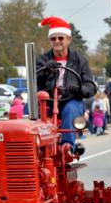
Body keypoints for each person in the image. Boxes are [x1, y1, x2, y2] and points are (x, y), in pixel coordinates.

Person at [35, 16, 96, 150]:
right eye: (53, 38)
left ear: (68, 39)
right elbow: (35, 79)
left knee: (69, 109)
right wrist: (46, 70)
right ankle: (36, 148)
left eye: (60, 38)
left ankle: (67, 147)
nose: (57, 41)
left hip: (71, 100)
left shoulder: (80, 60)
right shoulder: (42, 60)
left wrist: (80, 90)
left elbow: (90, 86)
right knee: (34, 112)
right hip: (49, 101)